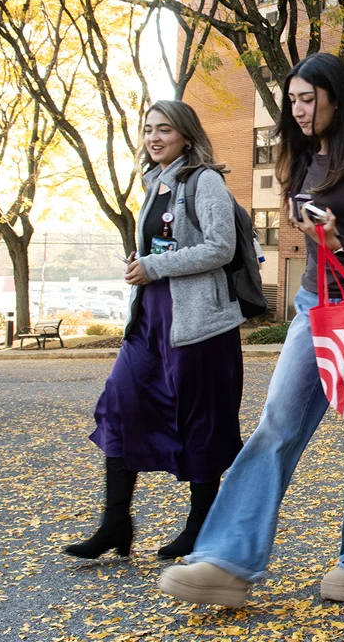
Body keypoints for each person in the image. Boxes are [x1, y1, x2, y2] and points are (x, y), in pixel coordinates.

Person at [157, 52, 344, 608]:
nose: (297, 109)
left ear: (335, 99)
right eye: (291, 99)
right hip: (314, 306)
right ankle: (226, 560)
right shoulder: (297, 162)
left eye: (307, 99)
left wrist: (340, 240)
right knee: (277, 424)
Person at [64, 100, 246, 560]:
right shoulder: (153, 184)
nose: (154, 137)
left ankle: (200, 527)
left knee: (201, 421)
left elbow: (221, 247)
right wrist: (142, 266)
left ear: (186, 134)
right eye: (148, 130)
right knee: (120, 404)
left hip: (198, 324)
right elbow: (158, 248)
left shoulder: (205, 181)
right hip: (149, 320)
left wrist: (155, 265)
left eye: (164, 129)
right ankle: (115, 523)